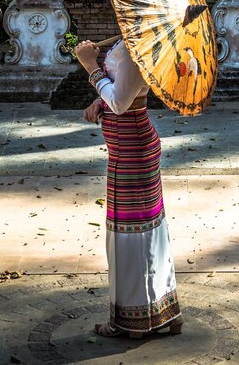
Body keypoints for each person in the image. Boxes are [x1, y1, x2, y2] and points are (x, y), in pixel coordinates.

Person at [75, 38, 183, 339]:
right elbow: (124, 91)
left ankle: (131, 322)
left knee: (129, 237)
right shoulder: (131, 41)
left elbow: (121, 104)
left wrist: (91, 67)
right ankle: (164, 315)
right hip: (131, 146)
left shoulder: (138, 47)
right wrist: (101, 99)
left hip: (131, 148)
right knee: (146, 232)